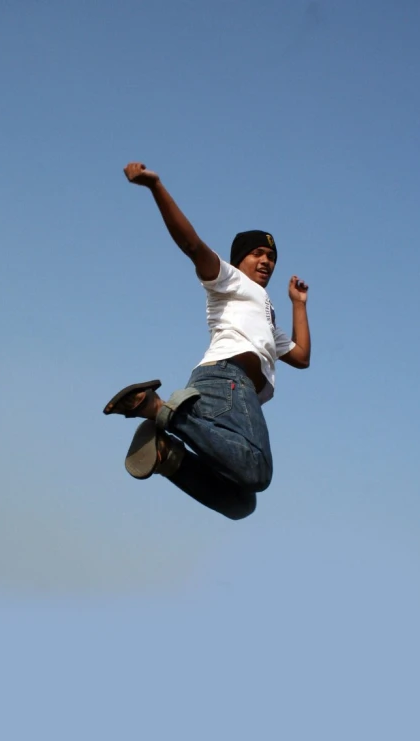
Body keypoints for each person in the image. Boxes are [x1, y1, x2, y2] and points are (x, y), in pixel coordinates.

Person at [103, 162, 311, 519]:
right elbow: (191, 244)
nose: (266, 261)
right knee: (257, 471)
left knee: (241, 502)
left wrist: (297, 304)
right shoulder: (228, 280)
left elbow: (302, 356)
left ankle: (168, 457)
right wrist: (156, 187)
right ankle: (158, 409)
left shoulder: (266, 311)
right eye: (257, 253)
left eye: (272, 257)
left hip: (226, 391)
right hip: (226, 382)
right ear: (238, 259)